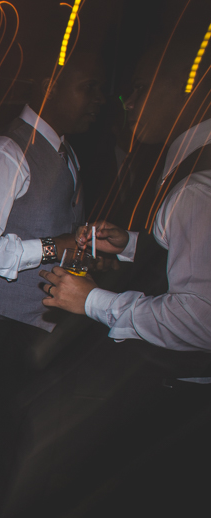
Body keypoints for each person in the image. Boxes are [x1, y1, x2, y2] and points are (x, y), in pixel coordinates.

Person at [0, 48, 106, 513]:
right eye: (87, 86)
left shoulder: (64, 152)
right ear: (52, 83)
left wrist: (89, 251)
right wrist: (54, 248)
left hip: (34, 327)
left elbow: (54, 228)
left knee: (7, 455)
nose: (98, 99)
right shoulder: (5, 151)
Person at [41, 36, 211, 358]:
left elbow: (200, 318)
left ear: (188, 89)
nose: (128, 102)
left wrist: (93, 300)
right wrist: (132, 244)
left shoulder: (195, 188)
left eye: (141, 88)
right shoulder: (193, 165)